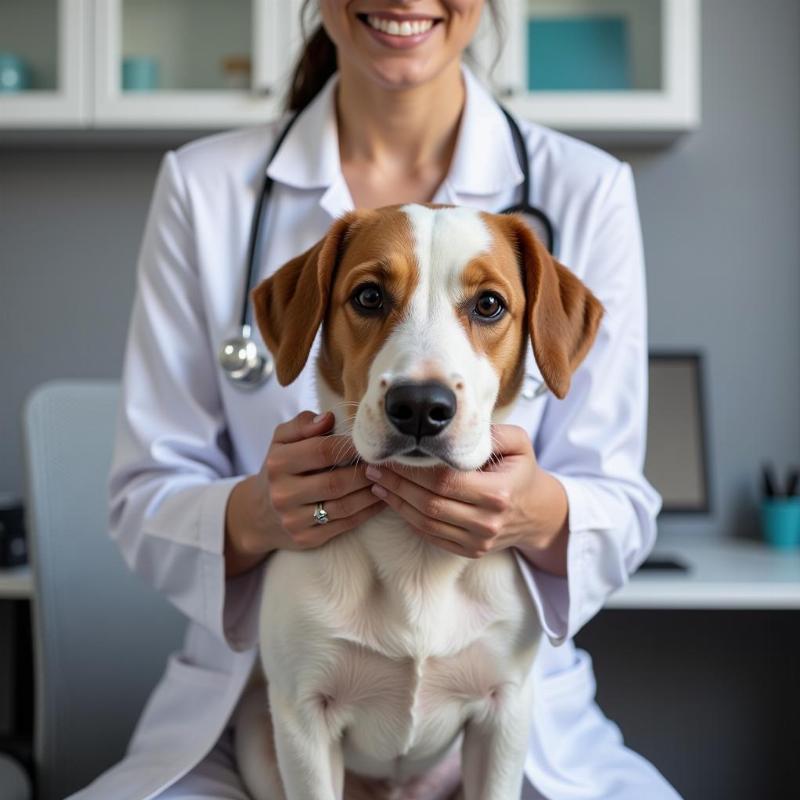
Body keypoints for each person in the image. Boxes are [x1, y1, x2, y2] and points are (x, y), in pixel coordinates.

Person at [72, 2, 682, 798]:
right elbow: (141, 496)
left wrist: (535, 510)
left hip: (510, 724)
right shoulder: (205, 186)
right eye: (369, 300)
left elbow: (623, 502)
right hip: (260, 709)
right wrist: (262, 511)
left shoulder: (587, 189)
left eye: (487, 308)